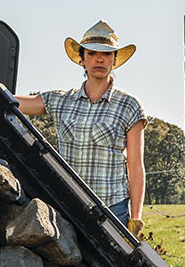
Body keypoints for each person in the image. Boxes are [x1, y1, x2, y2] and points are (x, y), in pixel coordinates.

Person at [16, 20, 146, 237]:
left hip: (113, 209)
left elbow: (135, 166)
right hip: (69, 205)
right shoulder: (61, 101)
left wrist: (136, 217)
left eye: (107, 54)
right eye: (93, 53)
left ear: (114, 60)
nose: (100, 59)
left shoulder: (129, 106)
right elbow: (15, 102)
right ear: (82, 58)